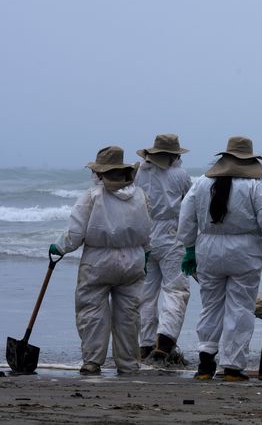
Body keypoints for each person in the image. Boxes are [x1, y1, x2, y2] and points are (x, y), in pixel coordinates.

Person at [177, 136, 262, 381]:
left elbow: (186, 218)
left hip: (208, 249)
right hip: (244, 251)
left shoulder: (202, 183)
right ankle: (233, 367)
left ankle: (205, 363)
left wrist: (189, 248)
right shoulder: (256, 186)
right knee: (240, 307)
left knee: (211, 304)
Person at [49, 146, 152, 375]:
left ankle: (93, 361)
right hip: (133, 259)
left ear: (99, 173)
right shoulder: (140, 195)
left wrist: (59, 247)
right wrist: (145, 253)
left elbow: (75, 234)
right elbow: (147, 230)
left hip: (98, 260)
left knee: (91, 310)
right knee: (128, 315)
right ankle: (127, 363)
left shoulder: (92, 196)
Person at [134, 134, 192, 362]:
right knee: (175, 289)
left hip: (145, 233)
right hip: (171, 234)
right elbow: (189, 206)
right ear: (175, 154)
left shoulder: (139, 172)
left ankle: (145, 344)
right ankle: (165, 341)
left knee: (146, 293)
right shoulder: (180, 175)